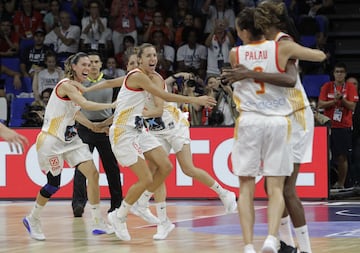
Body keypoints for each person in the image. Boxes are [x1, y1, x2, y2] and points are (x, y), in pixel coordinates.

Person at [78, 43, 216, 241]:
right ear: (140, 60)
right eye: (148, 56)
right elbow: (164, 95)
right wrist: (196, 100)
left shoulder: (143, 76)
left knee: (166, 166)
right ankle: (119, 215)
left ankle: (140, 205)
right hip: (124, 133)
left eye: (155, 55)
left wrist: (86, 88)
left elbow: (110, 84)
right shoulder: (137, 76)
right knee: (146, 179)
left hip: (138, 130)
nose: (153, 58)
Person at [227, 7, 326, 253]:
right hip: (277, 117)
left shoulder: (282, 43)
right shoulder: (266, 47)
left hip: (295, 116)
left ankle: (304, 248)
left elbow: (291, 79)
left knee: (285, 188)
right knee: (271, 186)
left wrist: (248, 74)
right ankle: (285, 243)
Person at [131, 71, 237, 241]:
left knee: (188, 168)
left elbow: (157, 110)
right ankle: (163, 222)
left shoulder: (155, 80)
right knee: (157, 172)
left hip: (174, 126)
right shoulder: (130, 84)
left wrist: (135, 116)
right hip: (156, 131)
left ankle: (224, 193)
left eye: (152, 56)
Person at [22, 52, 116, 241]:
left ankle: (98, 222)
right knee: (53, 185)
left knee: (93, 174)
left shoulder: (77, 88)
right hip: (51, 141)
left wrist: (93, 126)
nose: (88, 68)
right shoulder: (65, 85)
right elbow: (85, 104)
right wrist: (113, 104)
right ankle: (33, 218)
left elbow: (76, 112)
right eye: (84, 64)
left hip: (71, 141)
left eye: (90, 65)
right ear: (73, 67)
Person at [72, 51, 123, 217]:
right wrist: (88, 124)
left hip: (106, 129)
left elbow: (118, 106)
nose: (93, 65)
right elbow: (75, 108)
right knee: (81, 168)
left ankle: (117, 204)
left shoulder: (110, 82)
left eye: (96, 61)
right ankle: (78, 204)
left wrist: (107, 124)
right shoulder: (80, 83)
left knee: (112, 168)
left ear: (101, 64)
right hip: (85, 128)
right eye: (90, 62)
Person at [318, 62, 359, 189]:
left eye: (341, 72)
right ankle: (324, 183)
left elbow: (352, 106)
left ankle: (341, 183)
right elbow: (320, 104)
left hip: (343, 126)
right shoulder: (327, 86)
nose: (339, 74)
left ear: (345, 74)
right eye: (337, 72)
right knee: (324, 156)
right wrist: (334, 101)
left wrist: (342, 99)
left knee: (342, 156)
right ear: (333, 73)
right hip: (328, 126)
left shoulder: (351, 87)